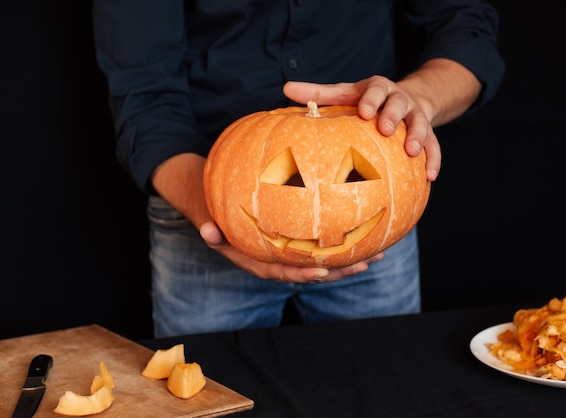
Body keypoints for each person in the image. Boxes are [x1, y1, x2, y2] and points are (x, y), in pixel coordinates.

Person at [92, 0, 505, 338]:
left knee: (386, 390)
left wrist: (416, 100)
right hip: (199, 205)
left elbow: (467, 29)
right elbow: (144, 96)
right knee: (210, 393)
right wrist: (219, 208)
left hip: (375, 219)